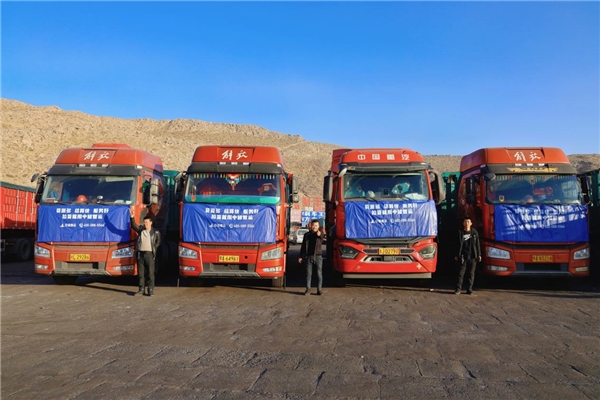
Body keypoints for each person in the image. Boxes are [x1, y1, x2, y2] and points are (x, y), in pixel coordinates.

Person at [130, 206, 161, 296]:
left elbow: (158, 242)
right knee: (141, 274)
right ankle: (141, 289)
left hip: (150, 254)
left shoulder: (155, 232)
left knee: (150, 273)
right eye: (144, 222)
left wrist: (153, 248)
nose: (145, 224)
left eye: (147, 222)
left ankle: (150, 290)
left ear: (151, 223)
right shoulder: (141, 230)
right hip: (140, 254)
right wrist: (132, 217)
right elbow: (134, 226)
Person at [454, 216, 481, 295]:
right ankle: (458, 289)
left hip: (472, 256)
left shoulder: (474, 232)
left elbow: (477, 244)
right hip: (463, 256)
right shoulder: (460, 232)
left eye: (468, 222)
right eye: (465, 222)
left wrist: (479, 254)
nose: (467, 223)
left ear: (471, 223)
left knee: (471, 273)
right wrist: (456, 254)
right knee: (461, 273)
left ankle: (469, 289)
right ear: (463, 223)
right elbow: (456, 244)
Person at [299, 219, 326, 296]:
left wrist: (319, 235)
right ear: (311, 226)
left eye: (316, 226)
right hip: (309, 256)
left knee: (319, 273)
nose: (314, 227)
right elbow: (303, 246)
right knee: (308, 274)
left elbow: (322, 239)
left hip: (318, 256)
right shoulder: (307, 235)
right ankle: (308, 289)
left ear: (318, 226)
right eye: (313, 225)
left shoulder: (320, 234)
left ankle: (319, 289)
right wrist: (301, 256)